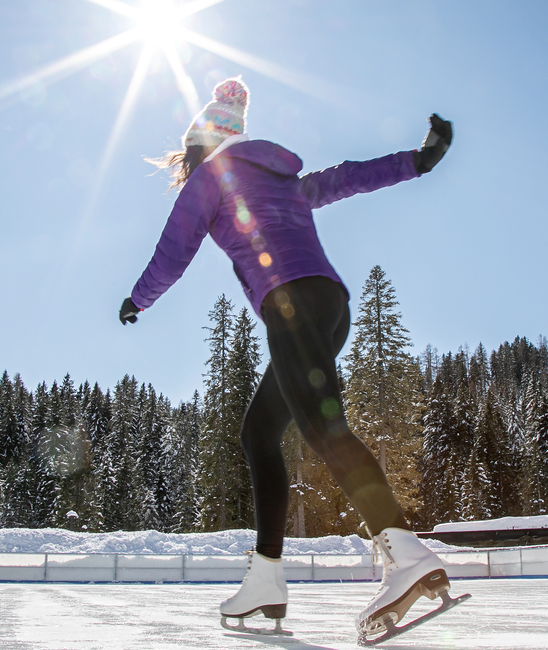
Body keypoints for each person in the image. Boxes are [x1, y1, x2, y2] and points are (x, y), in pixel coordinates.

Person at [118, 76, 454, 639]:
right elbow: (349, 178)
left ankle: (405, 553)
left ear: (200, 146)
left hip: (291, 303)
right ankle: (266, 581)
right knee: (259, 432)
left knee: (326, 430)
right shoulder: (283, 179)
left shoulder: (208, 179)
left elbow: (174, 251)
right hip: (328, 305)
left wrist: (136, 300)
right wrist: (419, 161)